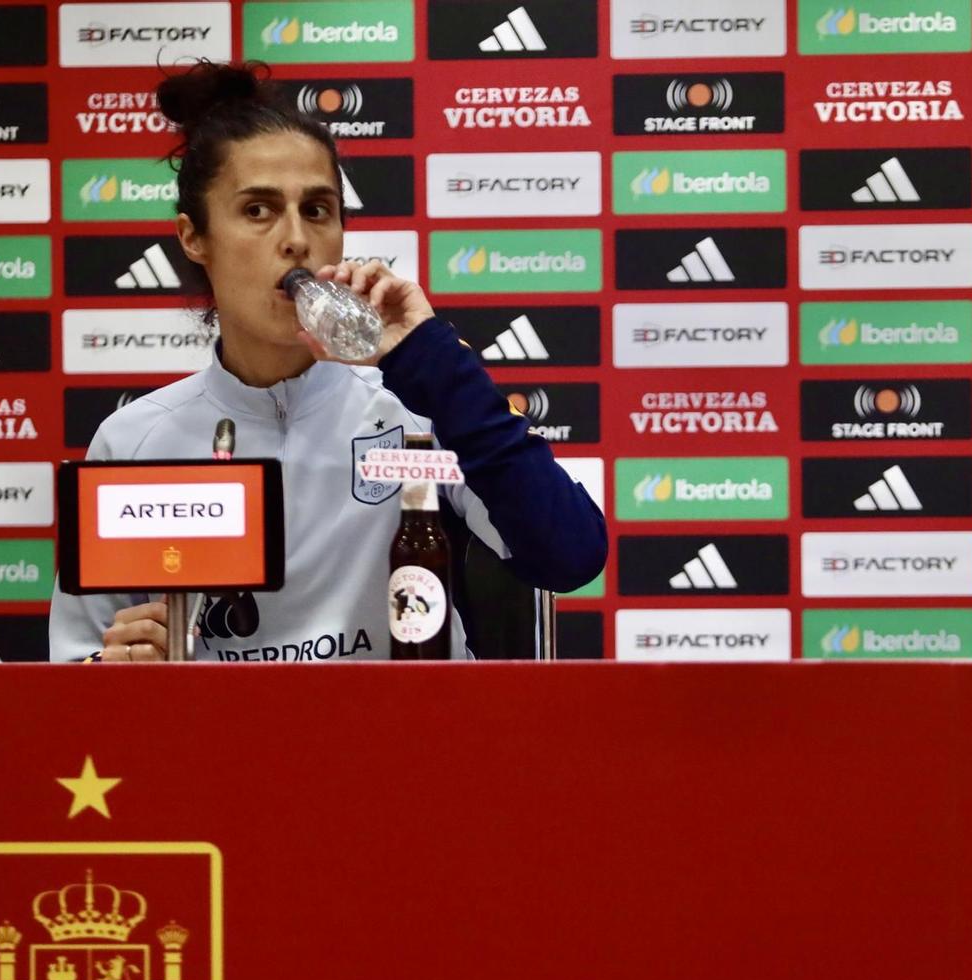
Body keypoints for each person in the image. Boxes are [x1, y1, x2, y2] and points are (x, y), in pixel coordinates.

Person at [49, 60, 607, 662]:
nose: (295, 239)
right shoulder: (135, 440)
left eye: (316, 209)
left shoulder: (419, 405)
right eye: (257, 210)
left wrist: (432, 356)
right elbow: (78, 669)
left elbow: (569, 556)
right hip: (228, 752)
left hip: (412, 746)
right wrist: (113, 667)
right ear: (194, 237)